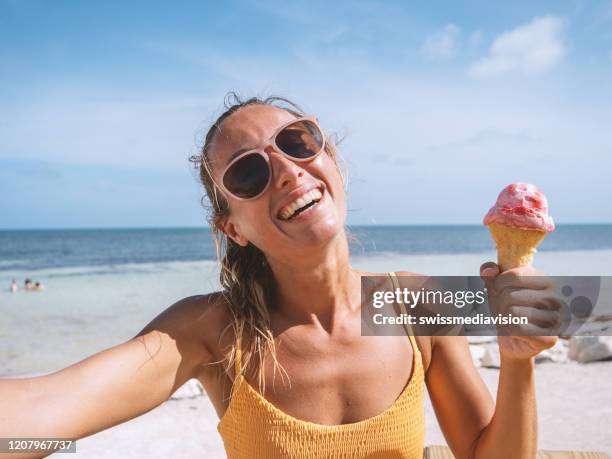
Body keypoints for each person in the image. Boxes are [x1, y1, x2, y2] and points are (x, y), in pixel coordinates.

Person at [0, 94, 559, 459]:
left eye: (298, 142)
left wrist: (518, 361)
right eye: (248, 172)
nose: (289, 171)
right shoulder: (211, 332)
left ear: (331, 161)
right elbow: (45, 416)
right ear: (233, 227)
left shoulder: (417, 302)